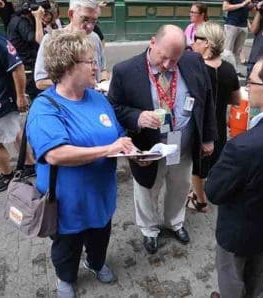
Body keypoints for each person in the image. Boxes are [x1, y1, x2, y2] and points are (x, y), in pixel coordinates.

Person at [26, 30, 134, 298]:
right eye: (90, 61)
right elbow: (56, 154)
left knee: (101, 236)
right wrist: (108, 149)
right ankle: (66, 277)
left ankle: (95, 263)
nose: (96, 66)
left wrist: (127, 144)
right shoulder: (45, 107)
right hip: (66, 202)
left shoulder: (97, 97)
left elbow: (116, 132)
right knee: (66, 246)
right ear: (68, 65)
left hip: (100, 194)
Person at [108, 24, 216, 254]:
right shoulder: (124, 71)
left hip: (183, 144)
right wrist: (137, 117)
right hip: (149, 148)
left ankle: (174, 222)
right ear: (152, 42)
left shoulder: (193, 62)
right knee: (147, 190)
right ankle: (149, 229)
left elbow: (207, 100)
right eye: (163, 58)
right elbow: (114, 107)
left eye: (174, 61)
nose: (167, 65)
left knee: (180, 186)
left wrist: (208, 137)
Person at [205, 52, 263, 298]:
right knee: (258, 280)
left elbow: (214, 191)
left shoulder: (243, 145)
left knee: (232, 283)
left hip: (238, 234)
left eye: (252, 81)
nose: (247, 85)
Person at [187, 21, 240, 212]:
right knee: (213, 160)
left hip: (199, 126)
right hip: (218, 123)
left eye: (196, 39)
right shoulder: (228, 68)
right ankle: (205, 192)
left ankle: (200, 201)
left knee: (197, 166)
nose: (192, 43)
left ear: (207, 43)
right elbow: (236, 100)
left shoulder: (195, 67)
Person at [35, 0, 108, 91]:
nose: (90, 27)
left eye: (94, 21)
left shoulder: (95, 38)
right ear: (71, 14)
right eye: (85, 19)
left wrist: (103, 83)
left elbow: (102, 70)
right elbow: (40, 82)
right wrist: (79, 84)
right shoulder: (51, 40)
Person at [0, 32, 34, 192]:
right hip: (4, 97)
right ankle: (30, 164)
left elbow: (17, 67)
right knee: (16, 132)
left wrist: (20, 96)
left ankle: (6, 175)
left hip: (2, 99)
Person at [7, 0, 45, 100]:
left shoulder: (17, 19)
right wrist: (38, 18)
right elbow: (38, 40)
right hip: (26, 69)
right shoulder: (20, 21)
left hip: (28, 66)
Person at [222, 0, 252, 72]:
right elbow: (225, 7)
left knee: (238, 51)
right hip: (231, 24)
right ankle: (226, 71)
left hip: (243, 25)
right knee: (227, 51)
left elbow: (246, 10)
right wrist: (242, 4)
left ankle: (235, 71)